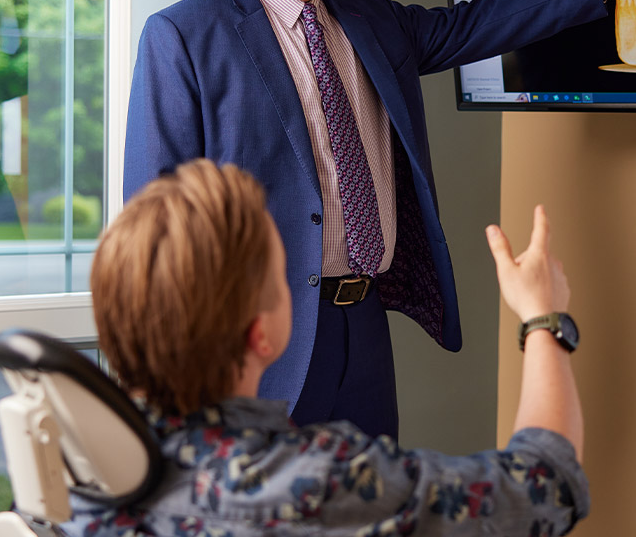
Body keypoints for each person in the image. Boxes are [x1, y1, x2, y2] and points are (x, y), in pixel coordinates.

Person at [123, 0, 636, 439]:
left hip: (364, 323)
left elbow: (473, 25)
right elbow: (152, 226)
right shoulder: (183, 35)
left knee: (372, 514)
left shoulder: (367, 12)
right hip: (256, 341)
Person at [72, 158, 588, 536]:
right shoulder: (320, 480)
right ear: (261, 334)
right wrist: (542, 317)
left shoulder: (82, 484)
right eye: (286, 278)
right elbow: (545, 486)